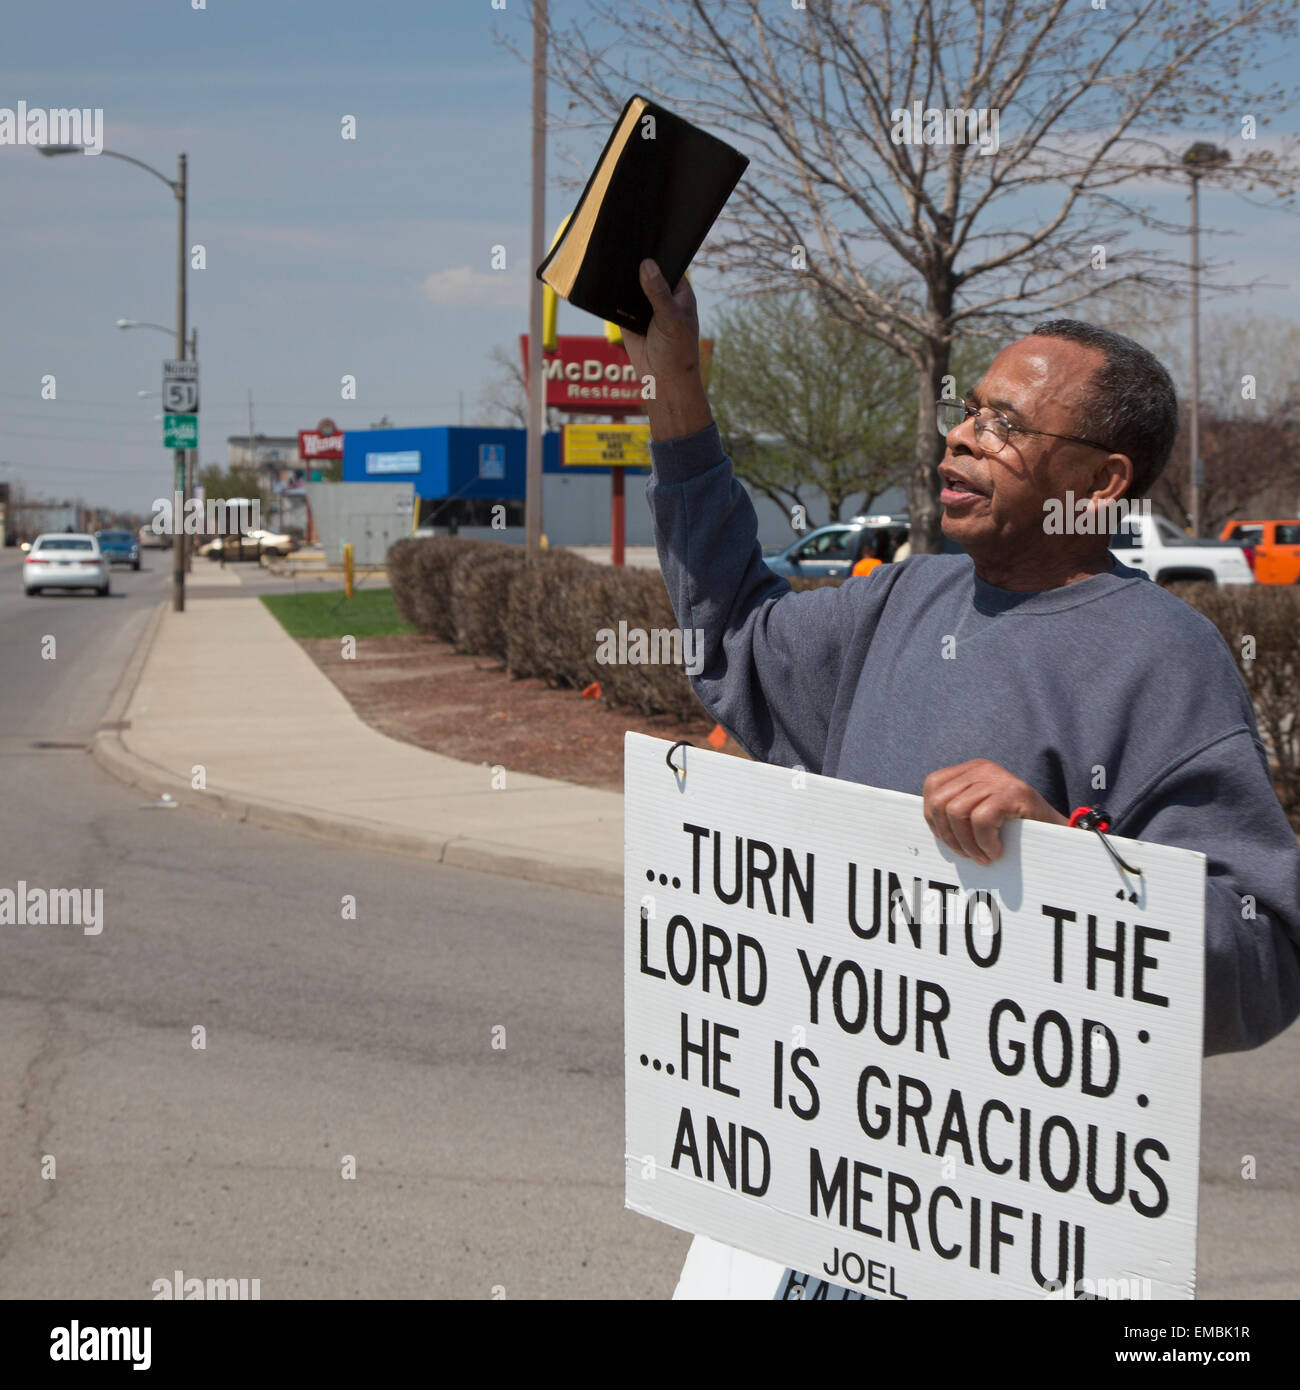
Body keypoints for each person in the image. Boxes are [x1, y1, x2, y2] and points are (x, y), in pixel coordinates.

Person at [625, 257, 1300, 1058]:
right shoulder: (903, 598)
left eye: (1005, 424)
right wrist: (674, 384)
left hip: (1012, 1165)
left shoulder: (1167, 658)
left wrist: (1064, 860)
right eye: (969, 411)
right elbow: (733, 633)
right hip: (848, 1138)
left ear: (1098, 482)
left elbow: (1262, 968)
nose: (961, 435)